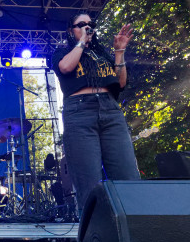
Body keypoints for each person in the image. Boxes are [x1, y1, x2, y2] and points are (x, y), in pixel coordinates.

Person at [52, 13, 139, 214]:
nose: (87, 27)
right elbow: (65, 67)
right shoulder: (62, 52)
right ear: (71, 30)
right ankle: (95, 241)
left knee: (128, 178)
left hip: (110, 111)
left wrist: (119, 52)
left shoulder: (101, 54)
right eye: (81, 25)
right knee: (89, 185)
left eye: (91, 24)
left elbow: (120, 83)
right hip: (80, 112)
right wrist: (82, 42)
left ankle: (132, 235)